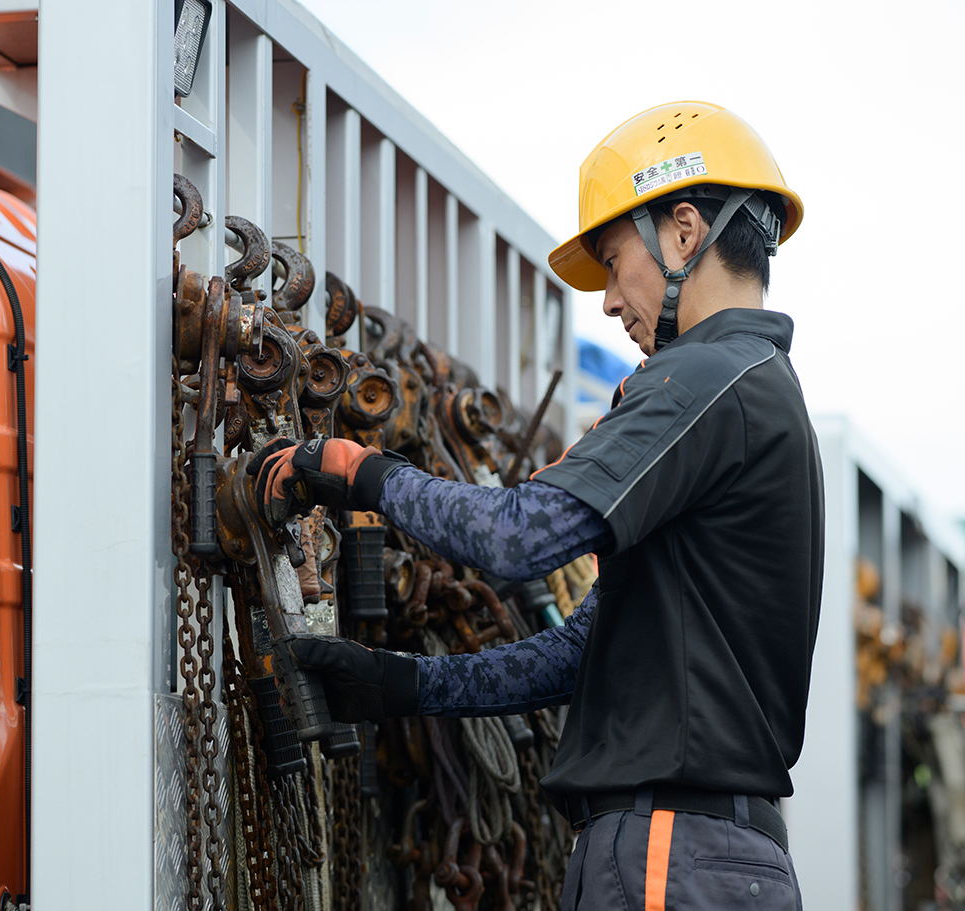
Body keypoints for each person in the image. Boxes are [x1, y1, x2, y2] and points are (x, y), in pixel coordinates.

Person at [250, 101, 822, 911]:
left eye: (614, 258)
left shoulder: (702, 380)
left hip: (669, 849)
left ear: (684, 230)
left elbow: (514, 538)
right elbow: (587, 650)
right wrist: (408, 686)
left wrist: (349, 467)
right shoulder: (758, 392)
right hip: (709, 853)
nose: (609, 302)